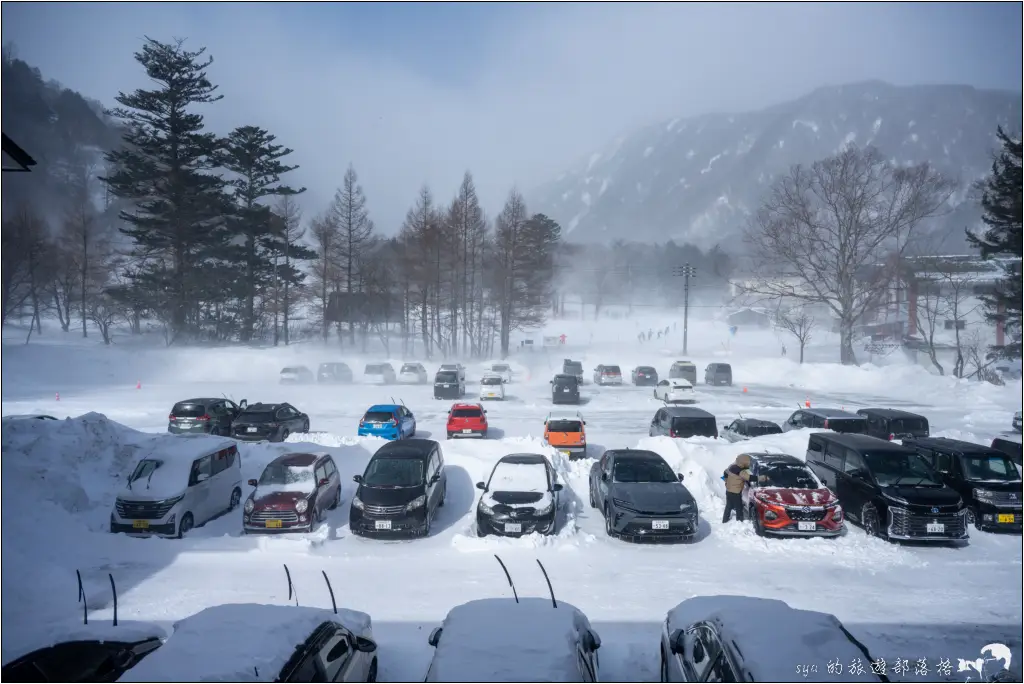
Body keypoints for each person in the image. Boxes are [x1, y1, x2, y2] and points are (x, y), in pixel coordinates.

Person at [722, 454, 751, 523]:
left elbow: (725, 472)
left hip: (729, 490)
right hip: (736, 492)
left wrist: (727, 481)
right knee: (739, 507)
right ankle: (739, 521)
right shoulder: (741, 471)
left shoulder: (732, 467)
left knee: (728, 506)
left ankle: (724, 520)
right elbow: (748, 478)